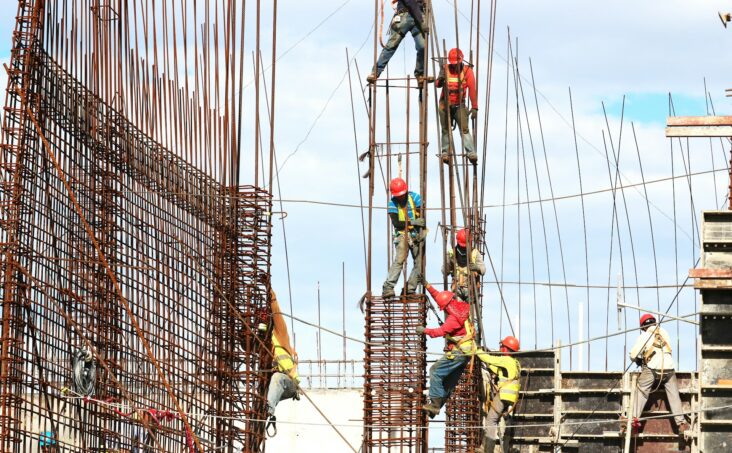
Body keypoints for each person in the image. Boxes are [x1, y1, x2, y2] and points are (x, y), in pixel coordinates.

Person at [623, 314, 689, 434]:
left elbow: (633, 355)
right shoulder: (664, 332)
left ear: (643, 327)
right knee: (674, 396)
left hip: (652, 369)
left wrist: (639, 360)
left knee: (641, 391)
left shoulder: (645, 335)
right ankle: (681, 423)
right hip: (669, 369)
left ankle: (631, 420)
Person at [418, 282, 474, 418]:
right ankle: (435, 408)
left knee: (435, 371)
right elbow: (441, 297)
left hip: (459, 353)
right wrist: (427, 286)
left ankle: (435, 405)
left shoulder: (453, 319)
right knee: (448, 383)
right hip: (466, 353)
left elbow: (439, 332)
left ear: (446, 306)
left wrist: (424, 330)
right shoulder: (461, 307)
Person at [367, 0, 428, 84]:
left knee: (423, 47)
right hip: (405, 16)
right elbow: (411, 3)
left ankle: (420, 74)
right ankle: (375, 72)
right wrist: (422, 21)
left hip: (419, 16)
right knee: (391, 46)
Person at [265, 291, 300, 436]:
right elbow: (246, 345)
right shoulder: (263, 343)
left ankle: (268, 409)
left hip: (289, 383)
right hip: (275, 387)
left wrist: (270, 293)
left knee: (277, 377)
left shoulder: (279, 334)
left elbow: (276, 313)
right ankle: (264, 410)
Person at [383, 177, 425, 298]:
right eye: (398, 195)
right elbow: (396, 223)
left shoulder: (415, 197)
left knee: (419, 263)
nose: (400, 197)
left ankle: (409, 289)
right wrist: (413, 222)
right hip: (402, 234)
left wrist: (421, 230)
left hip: (416, 234)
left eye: (402, 194)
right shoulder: (392, 203)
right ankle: (388, 287)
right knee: (400, 260)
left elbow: (422, 216)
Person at [479, 337, 521, 453]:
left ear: (506, 349)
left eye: (502, 346)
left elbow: (488, 358)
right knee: (501, 418)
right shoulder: (516, 363)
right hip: (511, 398)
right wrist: (488, 366)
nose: (501, 348)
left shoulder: (506, 359)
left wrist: (477, 350)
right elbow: (500, 371)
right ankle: (492, 445)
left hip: (504, 395)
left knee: (491, 420)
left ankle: (488, 450)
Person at [436, 48, 478, 164]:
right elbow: (437, 85)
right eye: (453, 63)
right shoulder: (445, 69)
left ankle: (471, 153)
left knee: (464, 130)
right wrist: (440, 78)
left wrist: (474, 107)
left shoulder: (467, 71)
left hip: (459, 105)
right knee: (445, 129)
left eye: (456, 63)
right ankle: (445, 152)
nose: (454, 65)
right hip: (445, 104)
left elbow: (472, 89)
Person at [442, 228, 485, 302]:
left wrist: (476, 268)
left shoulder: (475, 253)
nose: (463, 248)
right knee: (458, 308)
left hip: (471, 289)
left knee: (471, 309)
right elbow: (444, 271)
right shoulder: (452, 253)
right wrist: (449, 263)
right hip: (457, 289)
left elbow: (483, 270)